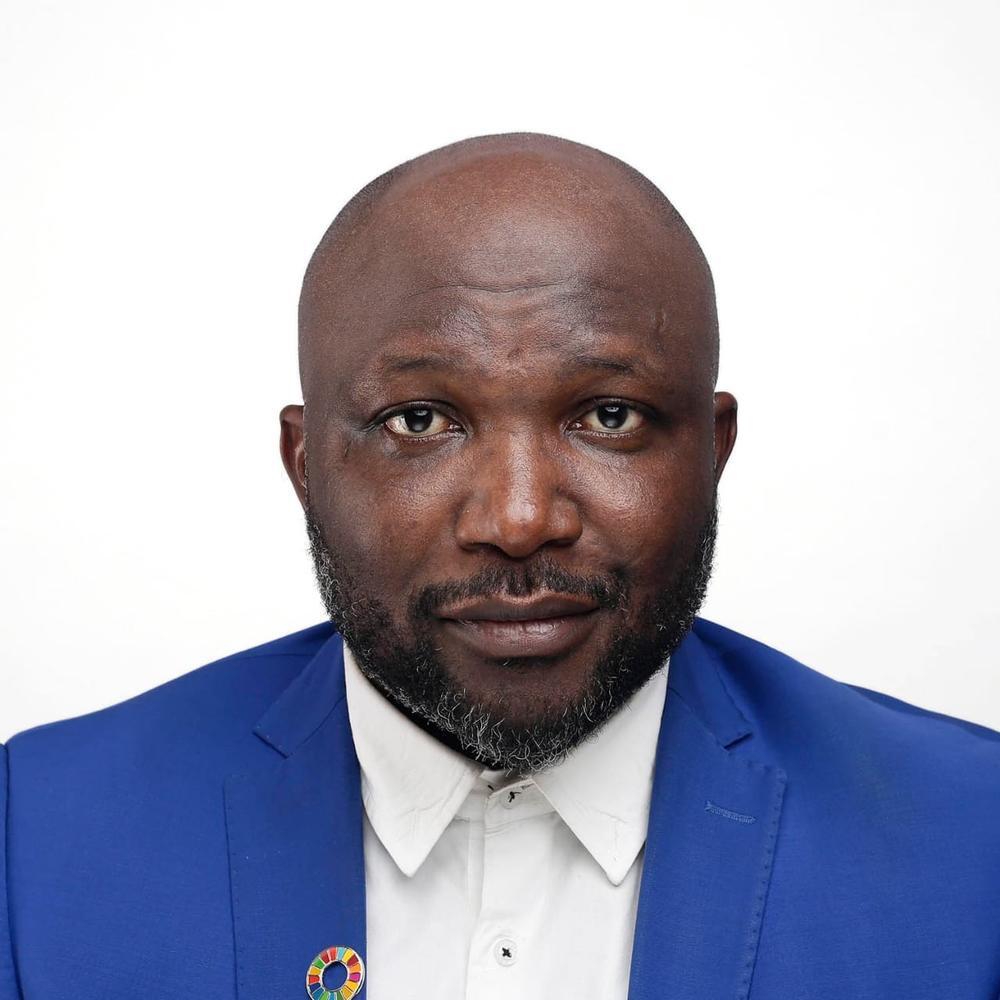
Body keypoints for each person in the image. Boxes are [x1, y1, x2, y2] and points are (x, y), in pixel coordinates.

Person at [2, 133, 998, 1000]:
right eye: (419, 421)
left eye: (610, 415)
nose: (519, 520)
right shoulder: (34, 841)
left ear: (712, 447)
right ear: (306, 465)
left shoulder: (972, 841)